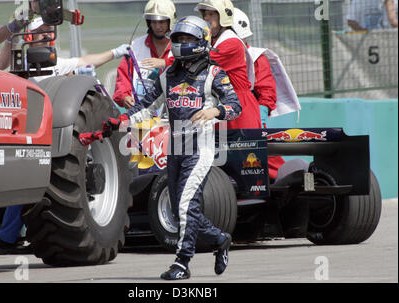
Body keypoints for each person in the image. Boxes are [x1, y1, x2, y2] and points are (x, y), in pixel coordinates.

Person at [80, 16, 241, 280]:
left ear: (202, 41)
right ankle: (221, 239)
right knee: (182, 210)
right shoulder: (168, 75)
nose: (181, 43)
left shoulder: (214, 74)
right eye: (178, 39)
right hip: (174, 148)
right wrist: (120, 120)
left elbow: (235, 106)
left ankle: (182, 263)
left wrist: (214, 110)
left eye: (188, 39)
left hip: (199, 150)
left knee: (187, 205)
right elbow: (144, 106)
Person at [0, 17, 132, 255]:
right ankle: (6, 239)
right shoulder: (20, 63)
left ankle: (9, 238)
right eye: (41, 31)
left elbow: (86, 60)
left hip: (46, 129)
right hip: (26, 130)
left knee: (31, 186)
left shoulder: (55, 63)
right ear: (29, 36)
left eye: (50, 31)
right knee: (25, 185)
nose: (47, 35)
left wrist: (115, 52)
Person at [232, 8, 301, 180]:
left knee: (265, 162)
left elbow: (267, 93)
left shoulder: (256, 58)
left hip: (248, 121)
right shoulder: (213, 55)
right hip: (220, 119)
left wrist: (260, 117)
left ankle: (288, 181)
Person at [194, 0, 261, 130]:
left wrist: (166, 61)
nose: (206, 18)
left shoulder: (230, 42)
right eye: (205, 15)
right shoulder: (214, 40)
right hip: (222, 105)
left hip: (239, 109)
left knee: (241, 149)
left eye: (211, 14)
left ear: (223, 17)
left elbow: (199, 62)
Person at [113, 0, 176, 109]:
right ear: (148, 22)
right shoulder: (135, 46)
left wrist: (165, 63)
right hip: (141, 113)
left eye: (161, 22)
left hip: (174, 112)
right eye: (154, 22)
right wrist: (124, 97)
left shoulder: (181, 45)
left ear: (170, 21)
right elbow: (124, 76)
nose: (157, 26)